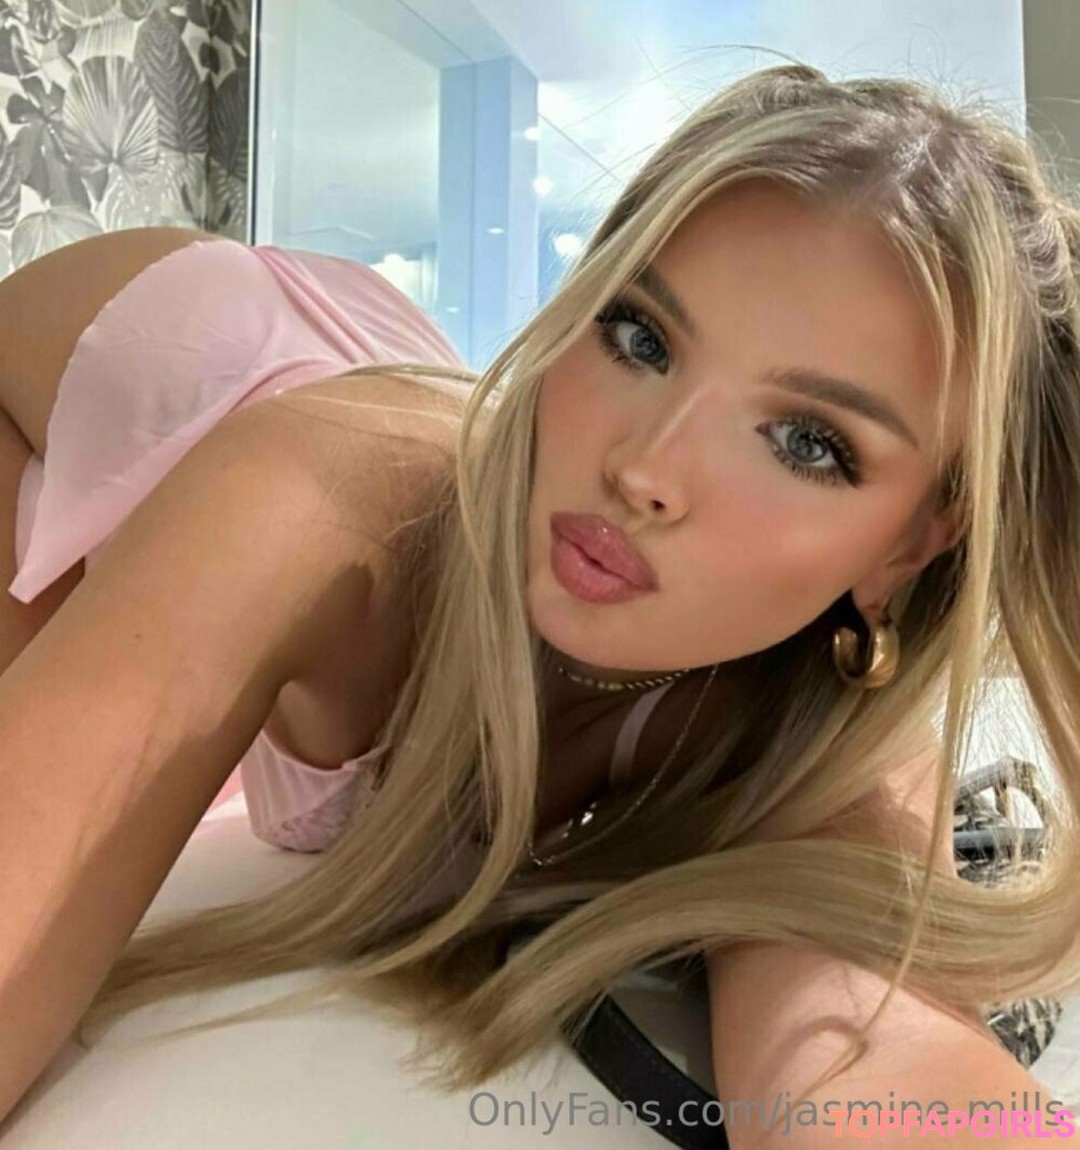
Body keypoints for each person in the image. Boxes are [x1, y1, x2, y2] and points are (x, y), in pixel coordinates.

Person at [1, 62, 1079, 1146]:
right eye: (640, 337)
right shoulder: (315, 510)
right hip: (99, 368)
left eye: (806, 442)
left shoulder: (821, 758)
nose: (644, 470)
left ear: (911, 543)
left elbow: (875, 1059)